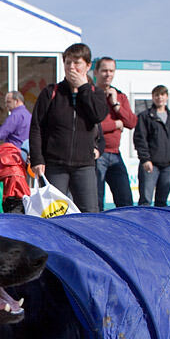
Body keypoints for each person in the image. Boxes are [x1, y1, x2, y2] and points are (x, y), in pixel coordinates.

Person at [29, 43, 108, 213]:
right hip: (55, 164)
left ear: (87, 66)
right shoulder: (51, 92)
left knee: (89, 213)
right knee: (54, 214)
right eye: (67, 63)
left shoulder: (96, 93)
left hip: (84, 165)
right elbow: (36, 126)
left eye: (77, 63)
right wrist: (37, 158)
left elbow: (97, 115)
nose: (71, 67)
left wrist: (84, 88)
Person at [93, 57, 136, 209]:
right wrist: (116, 124)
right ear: (96, 72)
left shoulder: (120, 96)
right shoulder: (90, 95)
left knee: (125, 201)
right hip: (97, 154)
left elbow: (131, 122)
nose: (108, 74)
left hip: (115, 154)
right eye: (104, 70)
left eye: (111, 71)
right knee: (96, 202)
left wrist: (116, 104)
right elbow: (92, 127)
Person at [133, 85, 170, 207]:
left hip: (168, 166)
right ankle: (144, 224)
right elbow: (140, 139)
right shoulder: (145, 116)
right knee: (146, 200)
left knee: (162, 202)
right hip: (151, 165)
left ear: (167, 97)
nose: (159, 98)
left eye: (162, 95)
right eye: (156, 95)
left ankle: (159, 226)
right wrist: (145, 159)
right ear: (153, 97)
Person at [0, 91, 32, 212]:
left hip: (11, 159)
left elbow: (0, 134)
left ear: (17, 101)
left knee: (9, 192)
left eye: (8, 102)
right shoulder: (28, 115)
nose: (6, 105)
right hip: (23, 158)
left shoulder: (15, 115)